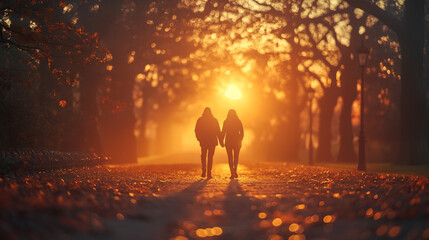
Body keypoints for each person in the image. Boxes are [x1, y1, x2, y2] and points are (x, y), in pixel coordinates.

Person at [195, 107, 223, 179]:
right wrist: (221, 142)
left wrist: (199, 138)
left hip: (204, 141)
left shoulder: (200, 120)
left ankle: (204, 170)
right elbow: (218, 132)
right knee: (210, 157)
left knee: (203, 156)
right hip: (212, 141)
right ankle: (209, 173)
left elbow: (196, 130)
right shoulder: (214, 120)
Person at [220, 109, 244, 179]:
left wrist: (221, 141)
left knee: (230, 157)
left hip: (228, 141)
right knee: (236, 156)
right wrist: (240, 139)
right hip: (237, 141)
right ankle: (235, 170)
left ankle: (232, 172)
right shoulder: (238, 121)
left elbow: (223, 132)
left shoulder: (226, 122)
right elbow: (242, 132)